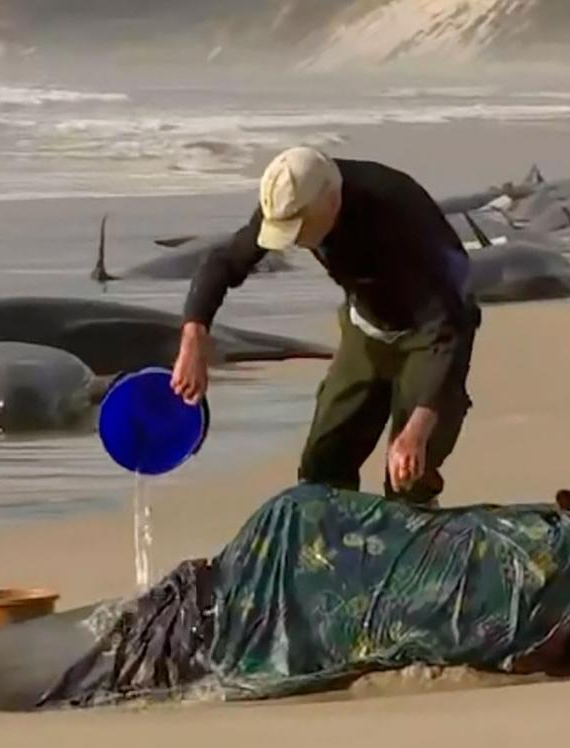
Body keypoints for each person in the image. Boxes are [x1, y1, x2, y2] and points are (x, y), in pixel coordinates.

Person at [170, 146, 480, 505]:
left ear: (331, 202)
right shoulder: (294, 194)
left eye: (298, 230)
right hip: (367, 326)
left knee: (408, 476)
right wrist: (193, 337)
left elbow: (446, 329)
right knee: (321, 467)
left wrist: (417, 429)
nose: (293, 241)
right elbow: (225, 262)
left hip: (435, 333)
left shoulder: (396, 219)